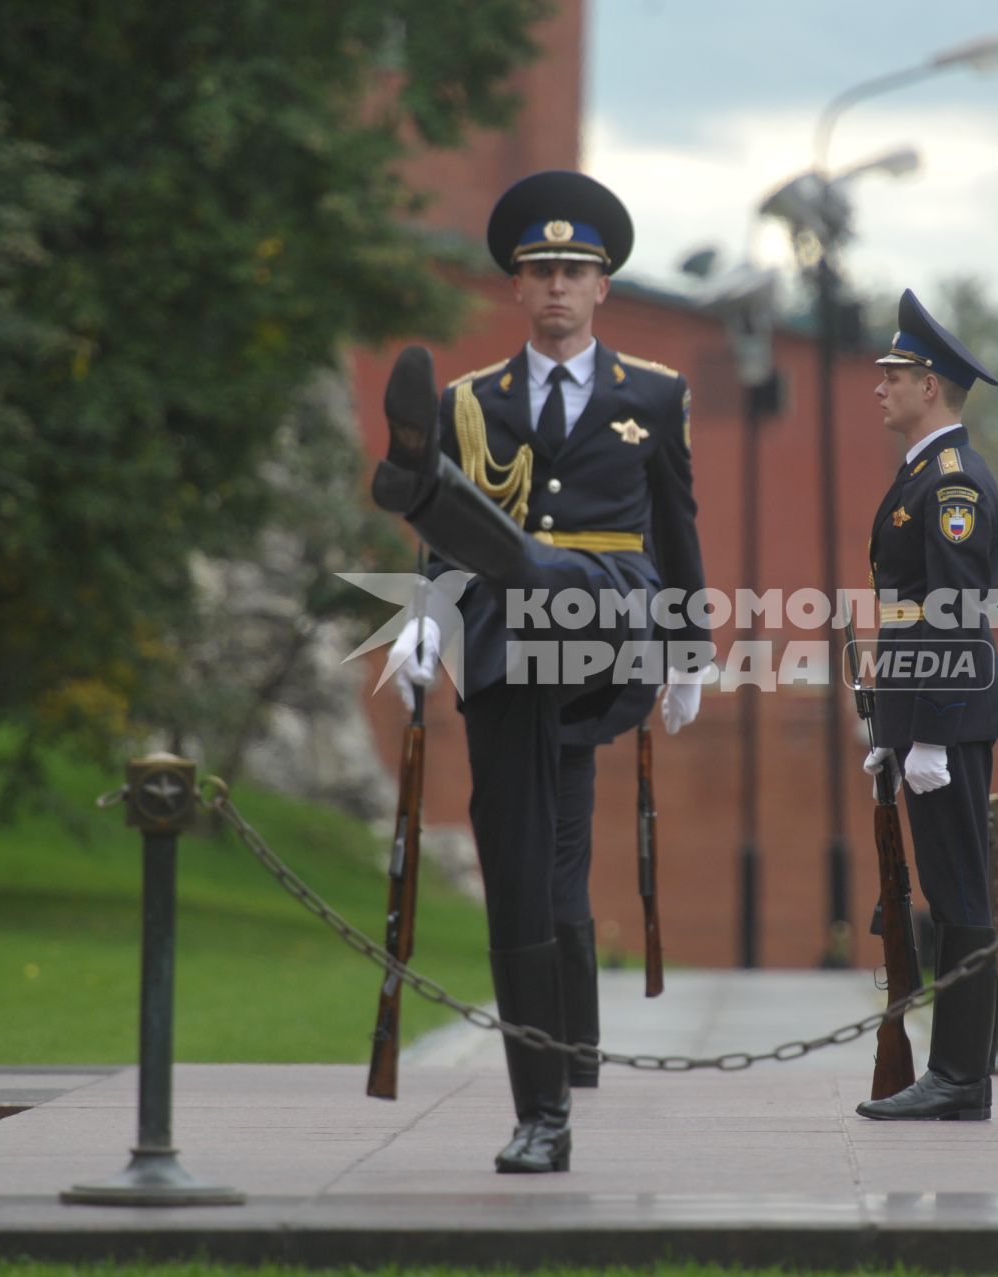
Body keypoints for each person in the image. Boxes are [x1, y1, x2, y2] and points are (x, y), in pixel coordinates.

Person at [372, 170, 708, 1170]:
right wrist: (423, 619)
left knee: (540, 565)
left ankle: (434, 497)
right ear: (518, 289)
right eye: (541, 271)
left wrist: (691, 649)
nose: (558, 286)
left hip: (610, 622)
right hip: (511, 644)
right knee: (530, 857)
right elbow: (444, 567)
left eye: (575, 270)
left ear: (602, 287)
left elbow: (679, 533)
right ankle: (549, 1096)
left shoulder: (654, 393)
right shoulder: (471, 401)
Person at [855, 288, 998, 1122]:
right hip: (927, 718)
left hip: (952, 722)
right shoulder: (923, 473)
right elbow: (906, 616)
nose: (880, 385)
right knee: (950, 896)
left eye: (895, 372)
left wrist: (934, 738)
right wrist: (894, 728)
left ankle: (958, 1077)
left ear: (932, 384)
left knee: (960, 900)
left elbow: (953, 610)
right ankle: (956, 1075)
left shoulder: (952, 484)